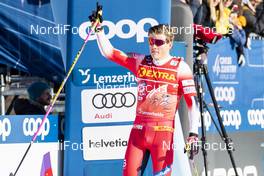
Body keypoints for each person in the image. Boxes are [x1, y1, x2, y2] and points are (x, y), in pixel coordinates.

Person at [90, 10, 200, 176]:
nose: (153, 46)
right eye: (150, 41)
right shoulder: (141, 61)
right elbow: (109, 53)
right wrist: (98, 29)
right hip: (138, 133)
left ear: (170, 44)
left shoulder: (180, 67)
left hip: (163, 136)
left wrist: (193, 134)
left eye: (158, 42)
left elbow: (192, 104)